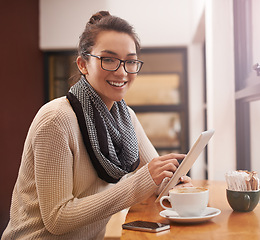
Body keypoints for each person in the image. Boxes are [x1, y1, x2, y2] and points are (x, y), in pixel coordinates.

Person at [2, 11, 191, 239]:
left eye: (130, 61)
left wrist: (173, 182)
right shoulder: (56, 120)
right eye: (108, 59)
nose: (121, 72)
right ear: (83, 64)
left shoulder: (126, 117)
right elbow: (57, 219)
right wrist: (141, 182)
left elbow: (153, 179)